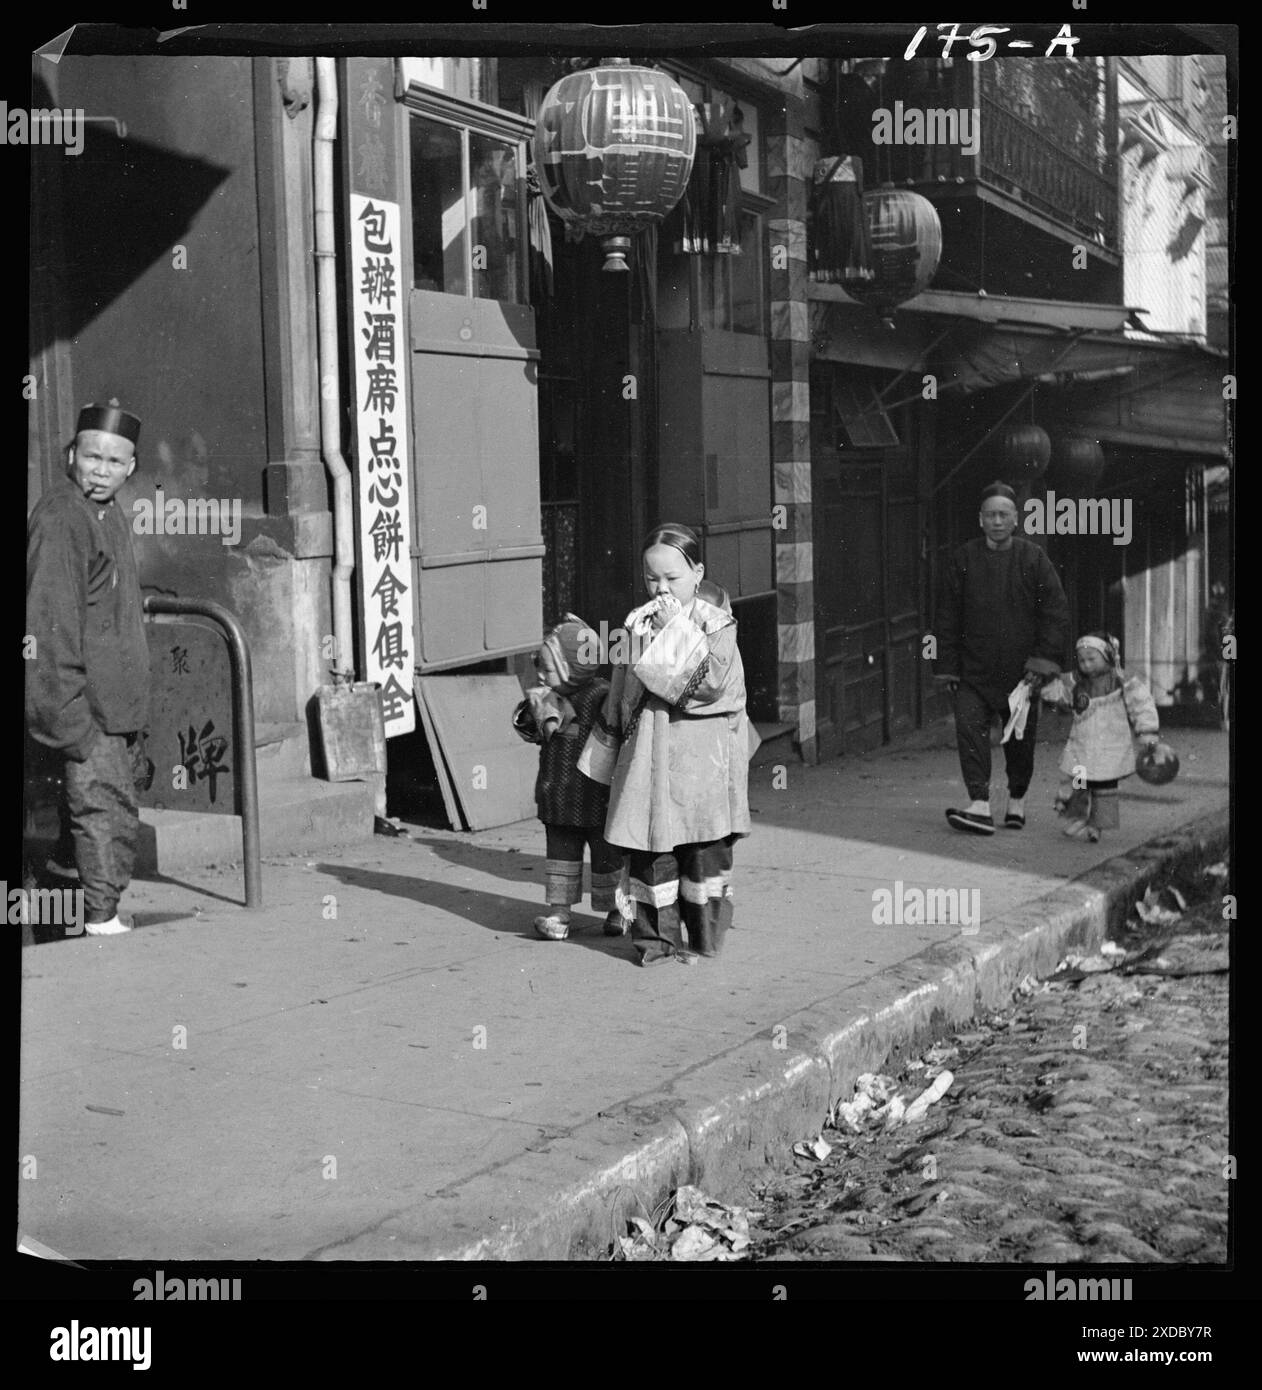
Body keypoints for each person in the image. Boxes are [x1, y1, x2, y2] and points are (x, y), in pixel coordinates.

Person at [587, 524, 752, 965]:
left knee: (701, 847)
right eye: (651, 578)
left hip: (699, 759)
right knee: (649, 848)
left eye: (672, 579)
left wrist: (675, 630)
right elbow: (622, 693)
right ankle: (654, 940)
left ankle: (703, 936)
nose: (660, 589)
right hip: (648, 755)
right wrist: (605, 760)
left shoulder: (717, 625)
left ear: (698, 573)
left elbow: (714, 686)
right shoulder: (636, 625)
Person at [26, 401, 150, 935]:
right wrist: (74, 726)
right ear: (71, 454)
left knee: (91, 827)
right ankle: (101, 930)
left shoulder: (107, 510)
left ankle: (73, 919)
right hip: (86, 715)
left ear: (131, 468)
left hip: (110, 709)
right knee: (104, 820)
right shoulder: (61, 518)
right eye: (91, 457)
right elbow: (48, 631)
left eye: (114, 461)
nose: (101, 469)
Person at [935, 480, 1070, 835]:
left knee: (1020, 741)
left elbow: (1055, 614)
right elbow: (946, 615)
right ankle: (979, 804)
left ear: (1015, 519)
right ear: (980, 520)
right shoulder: (963, 558)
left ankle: (1017, 801)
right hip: (972, 671)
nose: (997, 521)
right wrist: (947, 667)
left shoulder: (1034, 559)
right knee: (970, 732)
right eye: (990, 515)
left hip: (1021, 674)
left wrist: (1040, 665)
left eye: (1004, 515)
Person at [512, 614, 634, 941]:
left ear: (572, 667)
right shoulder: (546, 697)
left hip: (597, 798)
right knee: (560, 856)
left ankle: (617, 911)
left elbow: (617, 730)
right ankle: (560, 913)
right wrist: (533, 713)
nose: (541, 673)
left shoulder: (600, 695)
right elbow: (531, 733)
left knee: (607, 857)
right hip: (559, 797)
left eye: (549, 668)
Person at [1039, 632, 1160, 841]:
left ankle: (1097, 825)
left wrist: (1147, 731)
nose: (1086, 665)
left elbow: (1141, 704)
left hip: (1110, 745)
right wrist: (1050, 689)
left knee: (1105, 787)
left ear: (1108, 656)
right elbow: (1061, 693)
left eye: (1091, 659)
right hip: (1082, 743)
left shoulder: (1122, 681)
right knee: (1078, 781)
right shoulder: (1076, 681)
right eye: (1082, 660)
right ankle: (1076, 817)